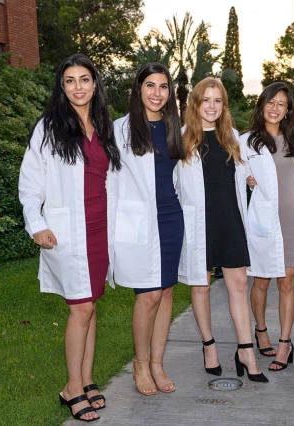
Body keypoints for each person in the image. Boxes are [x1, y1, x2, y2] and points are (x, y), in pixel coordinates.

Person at [18, 54, 121, 422]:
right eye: (69, 81)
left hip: (99, 229)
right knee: (80, 308)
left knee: (91, 305)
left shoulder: (104, 124)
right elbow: (30, 183)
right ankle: (71, 388)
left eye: (84, 79)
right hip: (66, 231)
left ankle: (87, 379)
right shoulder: (49, 127)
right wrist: (36, 224)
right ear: (62, 87)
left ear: (95, 84)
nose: (78, 87)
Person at [176, 77, 267, 383]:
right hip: (198, 223)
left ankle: (245, 350)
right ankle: (209, 345)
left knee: (238, 284)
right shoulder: (182, 139)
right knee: (200, 286)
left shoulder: (234, 139)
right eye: (206, 100)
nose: (212, 107)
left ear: (223, 105)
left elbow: (252, 173)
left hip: (229, 219)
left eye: (218, 101)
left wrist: (253, 178)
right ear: (195, 103)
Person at [113, 63, 185, 396]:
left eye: (163, 87)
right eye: (150, 85)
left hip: (171, 217)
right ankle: (140, 363)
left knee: (167, 291)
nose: (157, 93)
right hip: (138, 221)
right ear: (138, 88)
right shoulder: (120, 129)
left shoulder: (175, 128)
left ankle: (157, 362)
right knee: (149, 294)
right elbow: (107, 181)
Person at [241, 82, 294, 371]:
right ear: (261, 105)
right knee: (262, 280)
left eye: (281, 103)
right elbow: (236, 175)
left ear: (288, 109)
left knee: (287, 283)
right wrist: (247, 179)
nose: (275, 108)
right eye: (270, 102)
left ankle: (285, 343)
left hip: (292, 220)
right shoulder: (248, 141)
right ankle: (261, 331)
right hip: (264, 221)